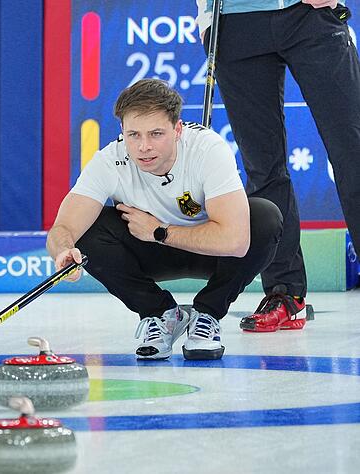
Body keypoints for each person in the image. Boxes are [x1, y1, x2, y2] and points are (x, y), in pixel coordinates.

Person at [47, 79, 284, 361]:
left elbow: (236, 241)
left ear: (177, 129)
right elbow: (63, 228)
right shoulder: (109, 161)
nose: (144, 147)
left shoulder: (208, 150)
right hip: (150, 252)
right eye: (133, 135)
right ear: (122, 131)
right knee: (86, 233)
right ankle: (160, 314)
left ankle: (208, 314)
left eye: (156, 133)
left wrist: (160, 231)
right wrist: (63, 250)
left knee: (264, 217)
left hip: (211, 252)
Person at [196, 0, 360, 332]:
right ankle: (285, 292)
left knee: (352, 149)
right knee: (262, 166)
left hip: (309, 14)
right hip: (234, 20)